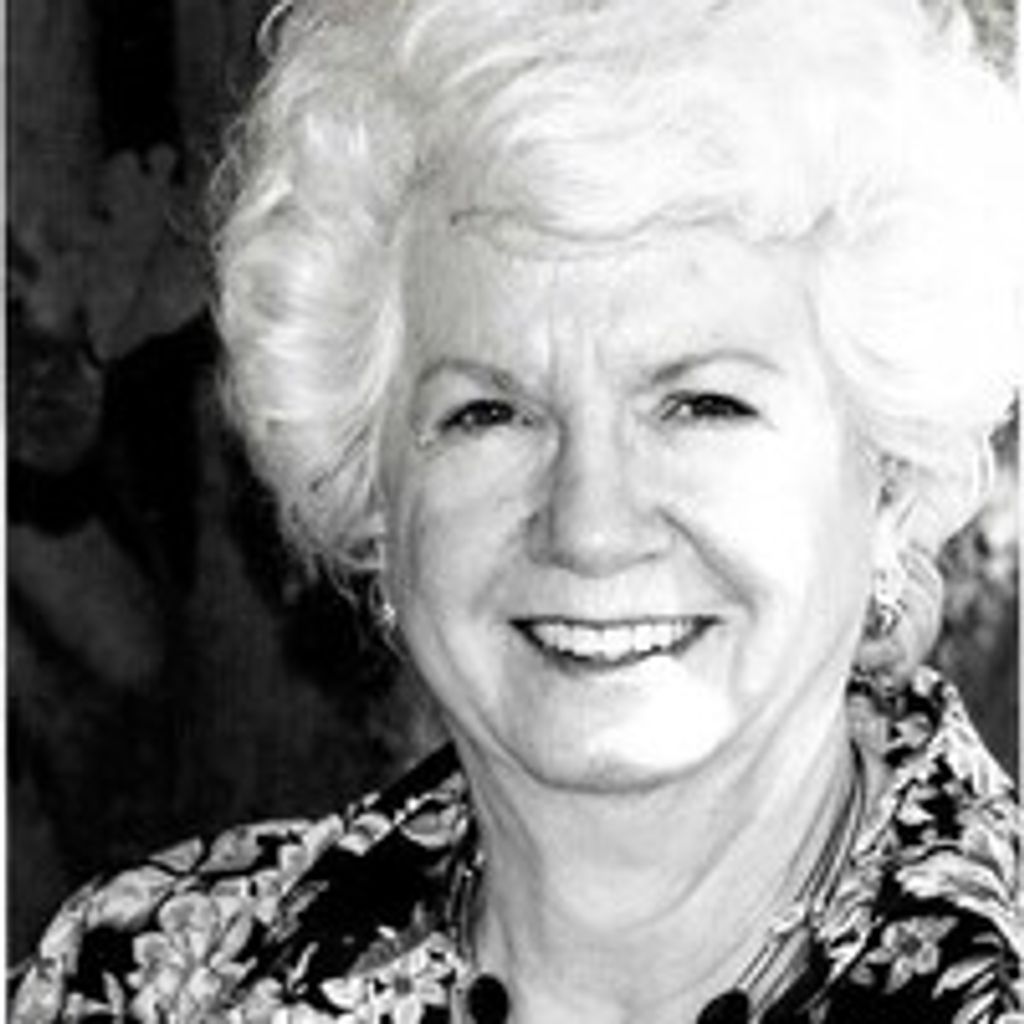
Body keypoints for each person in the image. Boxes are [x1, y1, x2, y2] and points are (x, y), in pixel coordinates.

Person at [12, 0, 1023, 1021]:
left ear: (889, 478)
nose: (590, 527)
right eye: (489, 414)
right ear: (372, 489)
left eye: (702, 405)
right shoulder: (133, 984)